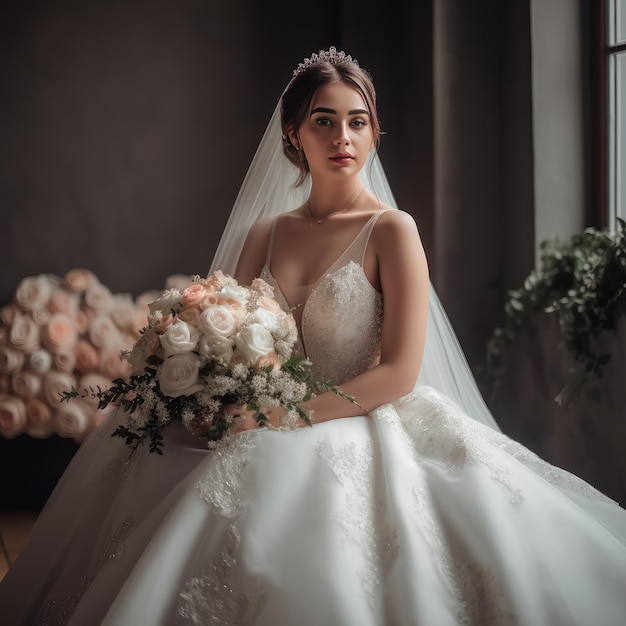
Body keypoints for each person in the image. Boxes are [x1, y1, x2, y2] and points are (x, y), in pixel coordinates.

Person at [1, 47, 626, 626]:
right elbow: (219, 324)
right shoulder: (265, 232)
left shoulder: (391, 230)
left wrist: (284, 415)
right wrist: (205, 384)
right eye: (324, 121)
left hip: (361, 409)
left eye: (358, 121)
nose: (343, 137)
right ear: (293, 135)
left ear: (374, 131)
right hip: (259, 411)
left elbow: (400, 371)